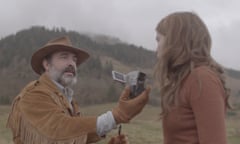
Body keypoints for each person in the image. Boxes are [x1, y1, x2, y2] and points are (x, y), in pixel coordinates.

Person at [7, 36, 150, 144]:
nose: (72, 64)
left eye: (74, 59)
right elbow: (59, 129)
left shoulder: (68, 99)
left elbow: (75, 136)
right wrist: (115, 116)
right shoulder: (33, 94)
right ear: (46, 64)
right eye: (64, 57)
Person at [154, 11, 231, 144]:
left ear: (175, 40)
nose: (157, 49)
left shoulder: (202, 79)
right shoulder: (183, 81)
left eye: (159, 40)